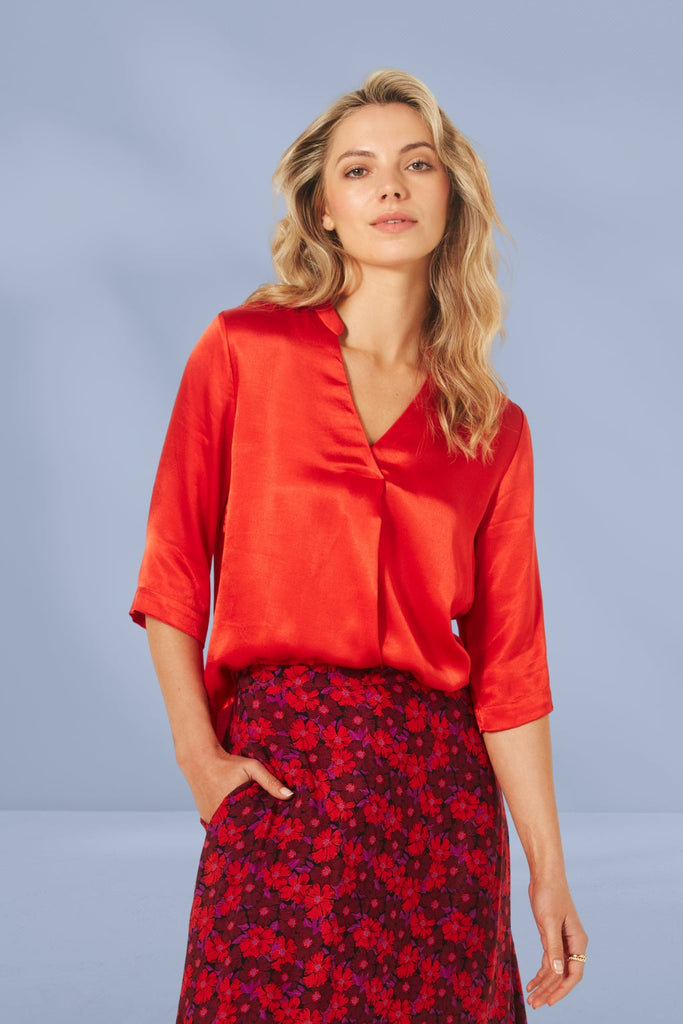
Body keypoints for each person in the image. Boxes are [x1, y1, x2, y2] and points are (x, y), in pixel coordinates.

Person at [130, 69, 587, 1024]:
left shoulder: (491, 428)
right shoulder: (243, 349)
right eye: (358, 169)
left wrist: (547, 869)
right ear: (323, 211)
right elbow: (173, 569)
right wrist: (200, 760)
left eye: (416, 164)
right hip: (282, 774)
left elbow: (510, 667)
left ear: (450, 198)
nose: (389, 186)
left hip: (439, 799)